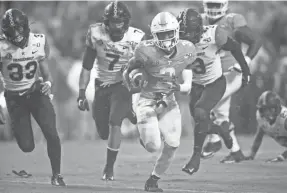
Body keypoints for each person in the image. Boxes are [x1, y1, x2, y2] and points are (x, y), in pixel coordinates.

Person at [123, 12, 195, 192]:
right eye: (162, 34)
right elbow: (127, 70)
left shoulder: (187, 49)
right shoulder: (144, 50)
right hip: (145, 99)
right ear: (154, 35)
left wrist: (182, 87)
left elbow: (187, 80)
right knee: (153, 146)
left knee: (173, 144)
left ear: (177, 32)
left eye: (169, 33)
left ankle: (153, 180)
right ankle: (143, 135)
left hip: (168, 100)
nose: (166, 38)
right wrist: (132, 83)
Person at [177, 8, 251, 175]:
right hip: (196, 85)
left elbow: (236, 48)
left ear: (197, 29)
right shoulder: (177, 39)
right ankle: (221, 130)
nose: (186, 36)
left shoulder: (214, 34)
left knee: (201, 112)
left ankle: (195, 157)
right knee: (200, 121)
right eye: (183, 32)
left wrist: (246, 71)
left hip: (214, 83)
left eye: (188, 32)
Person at [77, 1, 145, 180]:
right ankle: (128, 111)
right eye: (113, 22)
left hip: (122, 85)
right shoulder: (96, 34)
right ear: (106, 22)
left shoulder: (136, 38)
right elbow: (86, 67)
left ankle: (109, 168)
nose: (117, 26)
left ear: (126, 22)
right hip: (101, 85)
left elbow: (143, 65)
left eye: (120, 22)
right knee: (103, 133)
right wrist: (82, 92)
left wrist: (138, 78)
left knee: (115, 122)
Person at [0, 9, 65, 186]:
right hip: (14, 98)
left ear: (26, 27)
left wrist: (48, 84)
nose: (17, 36)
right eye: (12, 32)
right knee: (27, 146)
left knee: (51, 132)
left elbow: (46, 72)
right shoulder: (1, 46)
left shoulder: (39, 41)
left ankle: (57, 175)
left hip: (35, 92)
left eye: (19, 30)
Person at [200, 0, 262, 163]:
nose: (213, 9)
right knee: (221, 116)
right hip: (214, 75)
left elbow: (256, 41)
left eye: (216, 5)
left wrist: (246, 61)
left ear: (225, 6)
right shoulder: (200, 21)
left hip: (232, 73)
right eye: (210, 5)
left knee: (206, 104)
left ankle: (214, 139)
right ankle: (236, 153)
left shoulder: (232, 20)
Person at [245, 91, 287, 162]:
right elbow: (259, 136)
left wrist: (282, 157)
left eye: (265, 109)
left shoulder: (284, 120)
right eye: (262, 110)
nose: (263, 113)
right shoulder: (262, 118)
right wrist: (251, 155)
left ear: (274, 109)